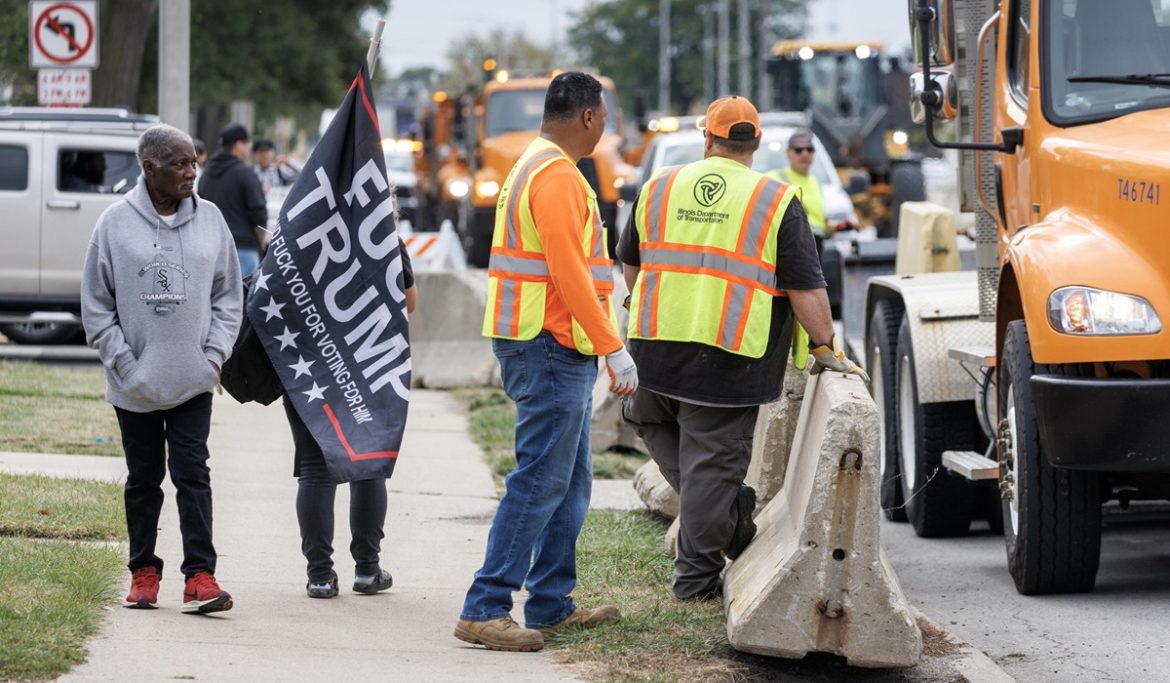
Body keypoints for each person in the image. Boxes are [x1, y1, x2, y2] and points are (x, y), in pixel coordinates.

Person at [616, 96, 866, 602]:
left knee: (649, 419)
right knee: (709, 467)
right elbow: (806, 287)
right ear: (756, 143)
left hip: (654, 349)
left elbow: (632, 266)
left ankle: (707, 548)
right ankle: (706, 559)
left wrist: (645, 308)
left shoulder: (658, 187)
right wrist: (825, 347)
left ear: (707, 138)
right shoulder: (774, 201)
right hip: (729, 360)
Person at [454, 72, 637, 653]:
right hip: (550, 345)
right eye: (602, 116)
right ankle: (485, 607)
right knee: (540, 480)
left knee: (570, 480)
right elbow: (570, 272)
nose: (604, 126)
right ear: (587, 117)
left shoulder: (535, 164)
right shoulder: (556, 176)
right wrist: (613, 346)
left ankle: (552, 603)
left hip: (546, 341)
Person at [80, 123, 242, 614]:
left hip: (193, 380)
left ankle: (200, 577)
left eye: (194, 162)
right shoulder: (114, 224)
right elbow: (96, 306)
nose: (191, 171)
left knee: (193, 475)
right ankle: (143, 572)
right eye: (180, 164)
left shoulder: (211, 220)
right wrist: (125, 365)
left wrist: (212, 357)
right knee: (143, 479)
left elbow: (229, 296)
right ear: (149, 168)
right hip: (134, 384)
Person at [287, 244, 418, 599]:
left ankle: (319, 576)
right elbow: (408, 302)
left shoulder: (299, 227)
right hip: (367, 364)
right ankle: (367, 570)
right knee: (368, 464)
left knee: (315, 468)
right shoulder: (379, 234)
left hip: (308, 365)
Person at [198, 123, 267, 277]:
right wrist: (261, 241)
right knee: (243, 291)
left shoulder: (206, 175)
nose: (249, 148)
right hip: (243, 250)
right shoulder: (245, 174)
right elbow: (259, 213)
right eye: (247, 143)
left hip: (211, 249)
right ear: (238, 145)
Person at [767, 130, 828, 254]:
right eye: (798, 150)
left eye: (809, 149)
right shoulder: (773, 179)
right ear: (788, 153)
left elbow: (818, 224)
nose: (805, 154)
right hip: (791, 249)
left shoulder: (815, 182)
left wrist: (839, 227)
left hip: (816, 249)